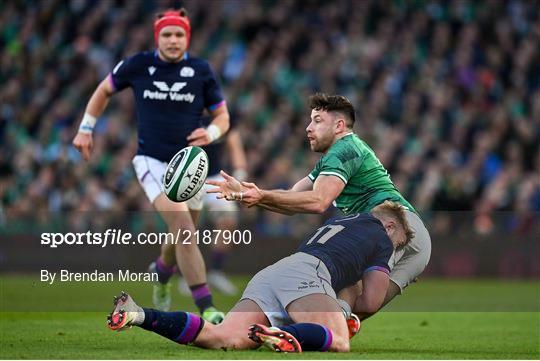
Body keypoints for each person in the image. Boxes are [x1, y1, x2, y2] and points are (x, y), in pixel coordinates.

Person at [207, 93, 431, 322]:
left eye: (317, 121)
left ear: (339, 126)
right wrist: (248, 193)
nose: (308, 128)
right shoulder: (338, 156)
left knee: (347, 292)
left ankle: (262, 327)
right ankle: (285, 334)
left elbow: (319, 201)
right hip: (416, 236)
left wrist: (260, 195)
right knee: (356, 311)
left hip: (391, 225)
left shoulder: (343, 150)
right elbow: (292, 199)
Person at [72, 8, 229, 324]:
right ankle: (207, 307)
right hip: (152, 162)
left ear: (188, 37)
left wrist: (211, 132)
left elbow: (223, 116)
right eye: (167, 34)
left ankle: (160, 272)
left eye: (179, 34)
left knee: (181, 231)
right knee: (184, 229)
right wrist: (86, 128)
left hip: (190, 165)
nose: (173, 40)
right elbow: (104, 90)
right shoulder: (139, 64)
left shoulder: (201, 70)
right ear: (157, 37)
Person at [107, 201, 413, 353]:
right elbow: (371, 302)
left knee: (222, 336)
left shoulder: (342, 221)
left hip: (274, 272)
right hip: (308, 274)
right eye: (398, 242)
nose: (393, 250)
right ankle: (290, 336)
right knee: (339, 340)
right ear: (389, 227)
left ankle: (137, 314)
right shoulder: (381, 237)